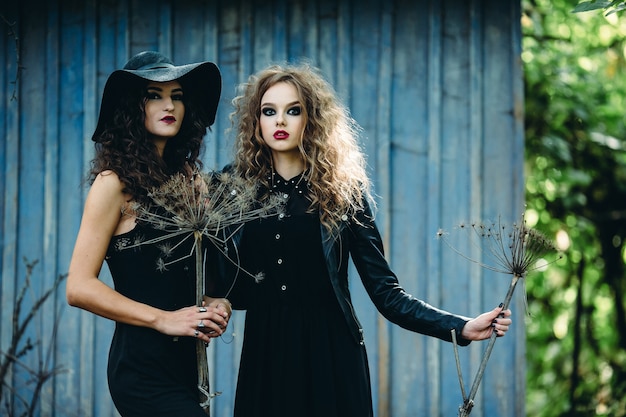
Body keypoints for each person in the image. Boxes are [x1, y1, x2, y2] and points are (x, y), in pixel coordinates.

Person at [220, 63, 513, 417]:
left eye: (293, 110)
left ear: (311, 119)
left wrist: (460, 327)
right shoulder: (234, 191)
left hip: (331, 356)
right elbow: (226, 280)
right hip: (265, 355)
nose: (280, 121)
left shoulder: (342, 194)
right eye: (270, 111)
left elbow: (386, 293)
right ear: (256, 121)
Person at [66, 51, 231, 416]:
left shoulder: (190, 180)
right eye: (154, 95)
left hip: (188, 365)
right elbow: (78, 287)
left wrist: (219, 303)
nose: (169, 104)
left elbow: (194, 275)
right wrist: (163, 318)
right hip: (141, 369)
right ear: (131, 108)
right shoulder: (113, 185)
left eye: (177, 95)